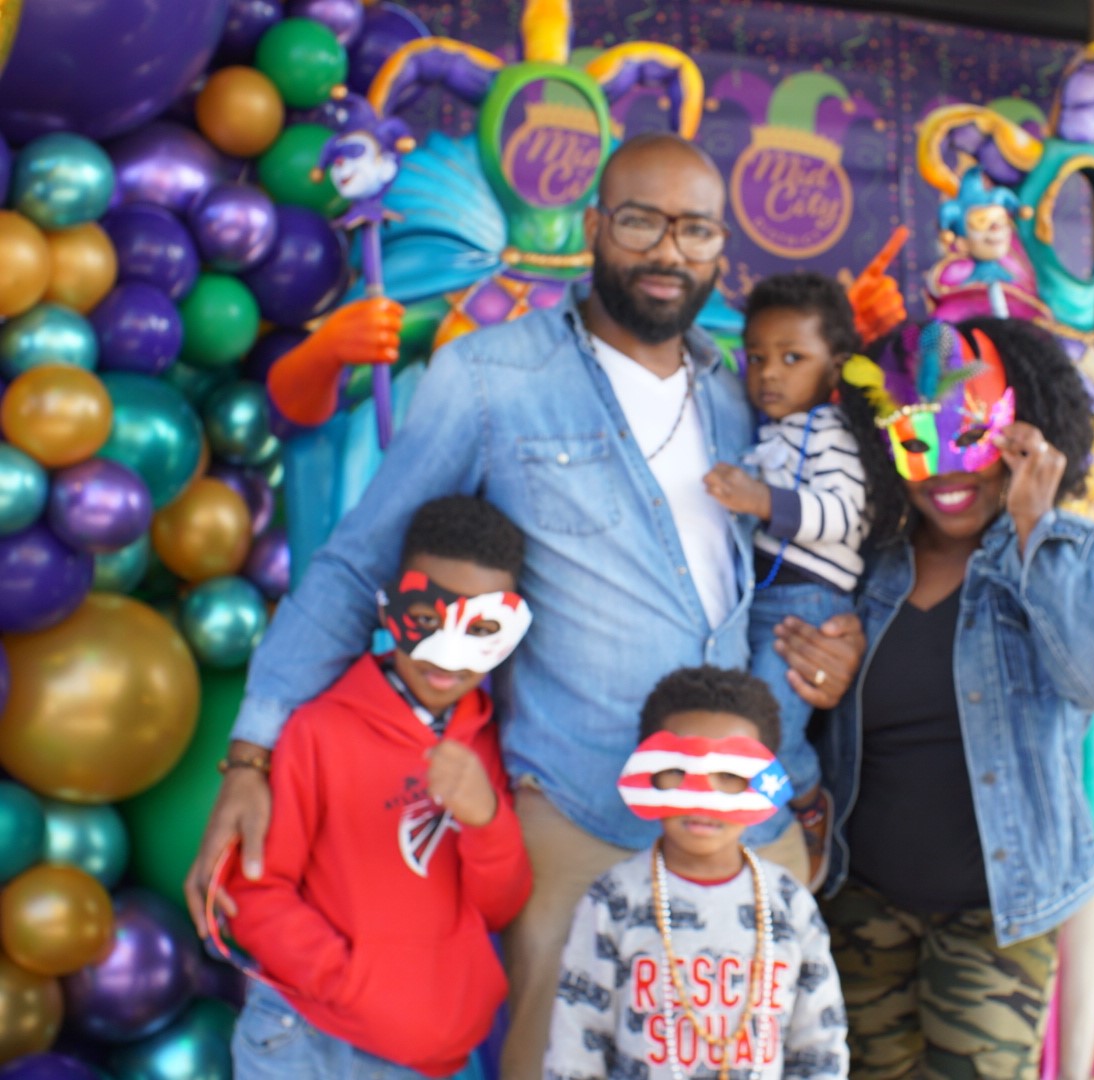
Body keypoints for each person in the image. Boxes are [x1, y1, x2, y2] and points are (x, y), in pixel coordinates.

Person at [185, 132, 866, 1077]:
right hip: (580, 807)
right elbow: (356, 569)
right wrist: (252, 752)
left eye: (696, 230)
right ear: (593, 228)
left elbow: (805, 555)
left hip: (744, 809)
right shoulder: (493, 379)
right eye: (641, 221)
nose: (668, 251)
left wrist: (841, 639)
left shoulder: (746, 392)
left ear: (720, 251)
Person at [820, 317, 1094, 1079]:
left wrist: (1035, 527)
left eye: (970, 433)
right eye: (914, 440)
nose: (943, 468)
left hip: (1000, 913)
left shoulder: (1082, 552)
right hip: (861, 901)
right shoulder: (866, 568)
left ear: (1026, 430)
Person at [219, 496, 533, 1078]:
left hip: (420, 1057)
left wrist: (485, 818)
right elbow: (255, 891)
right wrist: (350, 980)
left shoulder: (486, 745)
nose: (448, 652)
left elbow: (500, 906)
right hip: (310, 1042)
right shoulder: (320, 730)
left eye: (481, 628)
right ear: (391, 609)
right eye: (428, 618)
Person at [544, 666, 849, 1080]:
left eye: (730, 777)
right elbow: (578, 1039)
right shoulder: (615, 900)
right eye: (679, 773)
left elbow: (820, 1041)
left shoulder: (789, 903)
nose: (705, 801)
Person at [703, 272, 868, 883]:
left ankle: (801, 804)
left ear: (836, 368)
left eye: (792, 358)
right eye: (756, 358)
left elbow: (845, 512)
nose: (769, 373)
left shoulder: (831, 435)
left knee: (767, 733)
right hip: (764, 600)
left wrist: (763, 500)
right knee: (747, 721)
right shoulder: (771, 433)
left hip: (809, 604)